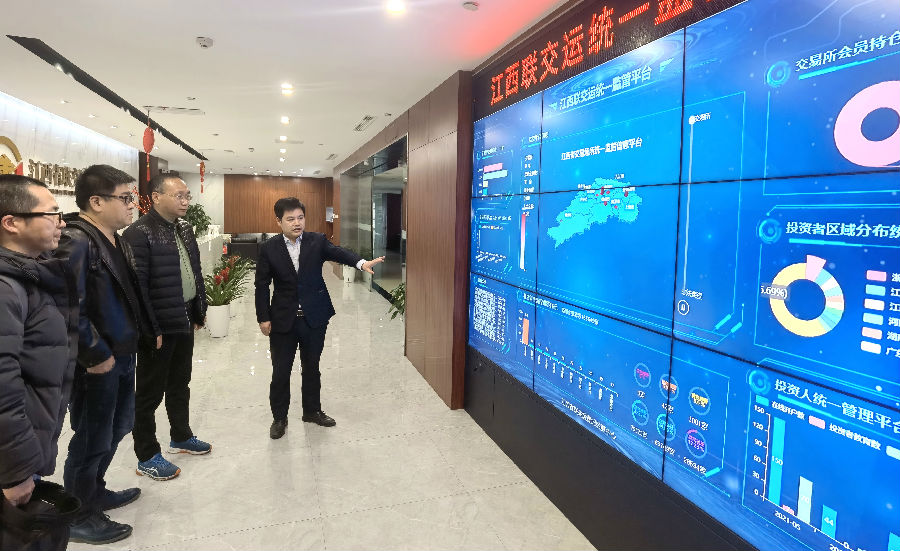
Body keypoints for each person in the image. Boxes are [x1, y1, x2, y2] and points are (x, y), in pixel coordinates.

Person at [55, 165, 146, 544]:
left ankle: (94, 490)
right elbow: (66, 305)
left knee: (119, 425)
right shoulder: (77, 240)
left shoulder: (115, 240)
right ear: (96, 201)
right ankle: (75, 513)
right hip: (97, 362)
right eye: (125, 198)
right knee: (92, 435)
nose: (131, 205)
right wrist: (94, 354)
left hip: (122, 354)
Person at [256, 197, 384, 439]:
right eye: (290, 219)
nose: (297, 223)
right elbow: (261, 285)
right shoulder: (268, 248)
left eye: (300, 218)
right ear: (278, 221)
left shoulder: (316, 241)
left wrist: (361, 262)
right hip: (283, 319)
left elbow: (339, 253)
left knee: (312, 368)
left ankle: (312, 411)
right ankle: (279, 418)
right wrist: (263, 317)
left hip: (314, 318)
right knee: (281, 372)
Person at [0, 175, 77, 550]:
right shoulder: (6, 288)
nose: (61, 223)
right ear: (12, 222)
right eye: (52, 214)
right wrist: (14, 471)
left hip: (28, 443)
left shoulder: (31, 271)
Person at [122, 174, 209, 481]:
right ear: (156, 197)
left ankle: (181, 436)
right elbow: (139, 288)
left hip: (183, 317)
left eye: (187, 196)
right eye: (178, 196)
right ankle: (146, 455)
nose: (185, 201)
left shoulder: (184, 228)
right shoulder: (138, 233)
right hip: (158, 325)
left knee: (179, 383)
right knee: (149, 393)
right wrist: (151, 329)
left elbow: (194, 271)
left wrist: (198, 310)